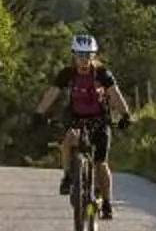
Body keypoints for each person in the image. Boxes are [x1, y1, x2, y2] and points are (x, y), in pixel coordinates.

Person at [31, 33, 132, 219]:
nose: (84, 60)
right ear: (73, 55)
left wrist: (125, 114)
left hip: (100, 119)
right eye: (80, 55)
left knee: (101, 163)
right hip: (76, 117)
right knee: (69, 138)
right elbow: (52, 94)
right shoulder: (67, 74)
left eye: (88, 55)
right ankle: (68, 176)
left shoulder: (102, 74)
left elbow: (115, 94)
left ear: (94, 56)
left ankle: (108, 202)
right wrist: (39, 113)